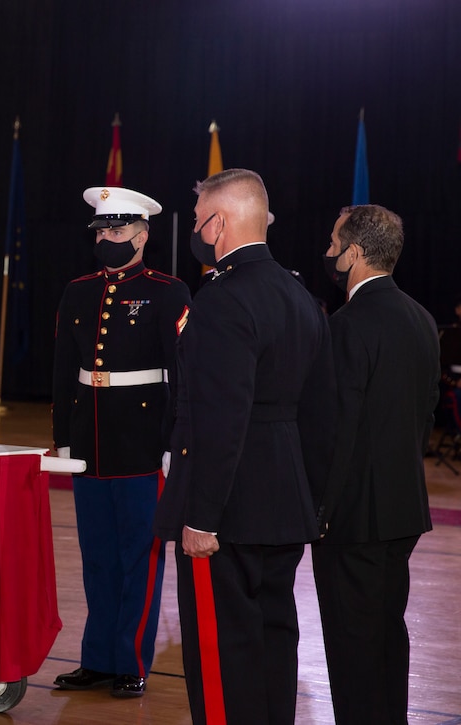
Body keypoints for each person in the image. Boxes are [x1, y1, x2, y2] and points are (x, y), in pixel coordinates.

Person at [152, 169, 335, 724]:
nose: (198, 232)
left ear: (220, 224)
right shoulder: (300, 296)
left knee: (221, 653)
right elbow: (322, 415)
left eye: (202, 220)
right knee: (274, 642)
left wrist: (202, 516)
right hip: (284, 508)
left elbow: (220, 418)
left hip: (225, 512)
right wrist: (315, 505)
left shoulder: (222, 300)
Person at [51, 187, 191, 697]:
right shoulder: (78, 290)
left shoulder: (167, 290)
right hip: (89, 441)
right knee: (98, 558)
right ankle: (97, 660)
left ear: (142, 234)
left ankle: (131, 662)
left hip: (140, 441)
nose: (108, 239)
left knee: (139, 559)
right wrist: (63, 438)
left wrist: (173, 443)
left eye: (117, 230)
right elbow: (64, 370)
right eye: (102, 231)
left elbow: (182, 374)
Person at [313, 204, 438, 724]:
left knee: (352, 649)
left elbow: (336, 432)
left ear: (355, 254)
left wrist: (319, 513)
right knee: (388, 636)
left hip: (354, 518)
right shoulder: (422, 318)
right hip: (403, 508)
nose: (327, 253)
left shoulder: (348, 325)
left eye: (333, 244)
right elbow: (423, 418)